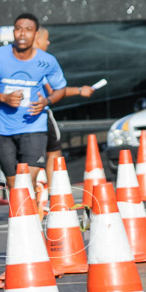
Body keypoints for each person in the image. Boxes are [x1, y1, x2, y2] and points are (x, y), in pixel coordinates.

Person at [0, 12, 67, 190]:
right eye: (18, 29)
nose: (22, 34)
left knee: (27, 181)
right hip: (2, 129)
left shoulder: (47, 61)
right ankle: (19, 216)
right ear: (13, 32)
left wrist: (46, 101)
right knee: (13, 183)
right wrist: (3, 97)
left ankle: (31, 217)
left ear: (36, 34)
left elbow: (60, 89)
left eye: (28, 30)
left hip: (34, 127)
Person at [33, 27, 94, 185]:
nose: (48, 42)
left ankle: (27, 195)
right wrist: (80, 90)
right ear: (37, 40)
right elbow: (55, 91)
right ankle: (53, 193)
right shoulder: (42, 61)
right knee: (53, 152)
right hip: (39, 114)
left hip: (20, 115)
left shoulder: (19, 58)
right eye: (46, 39)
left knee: (27, 157)